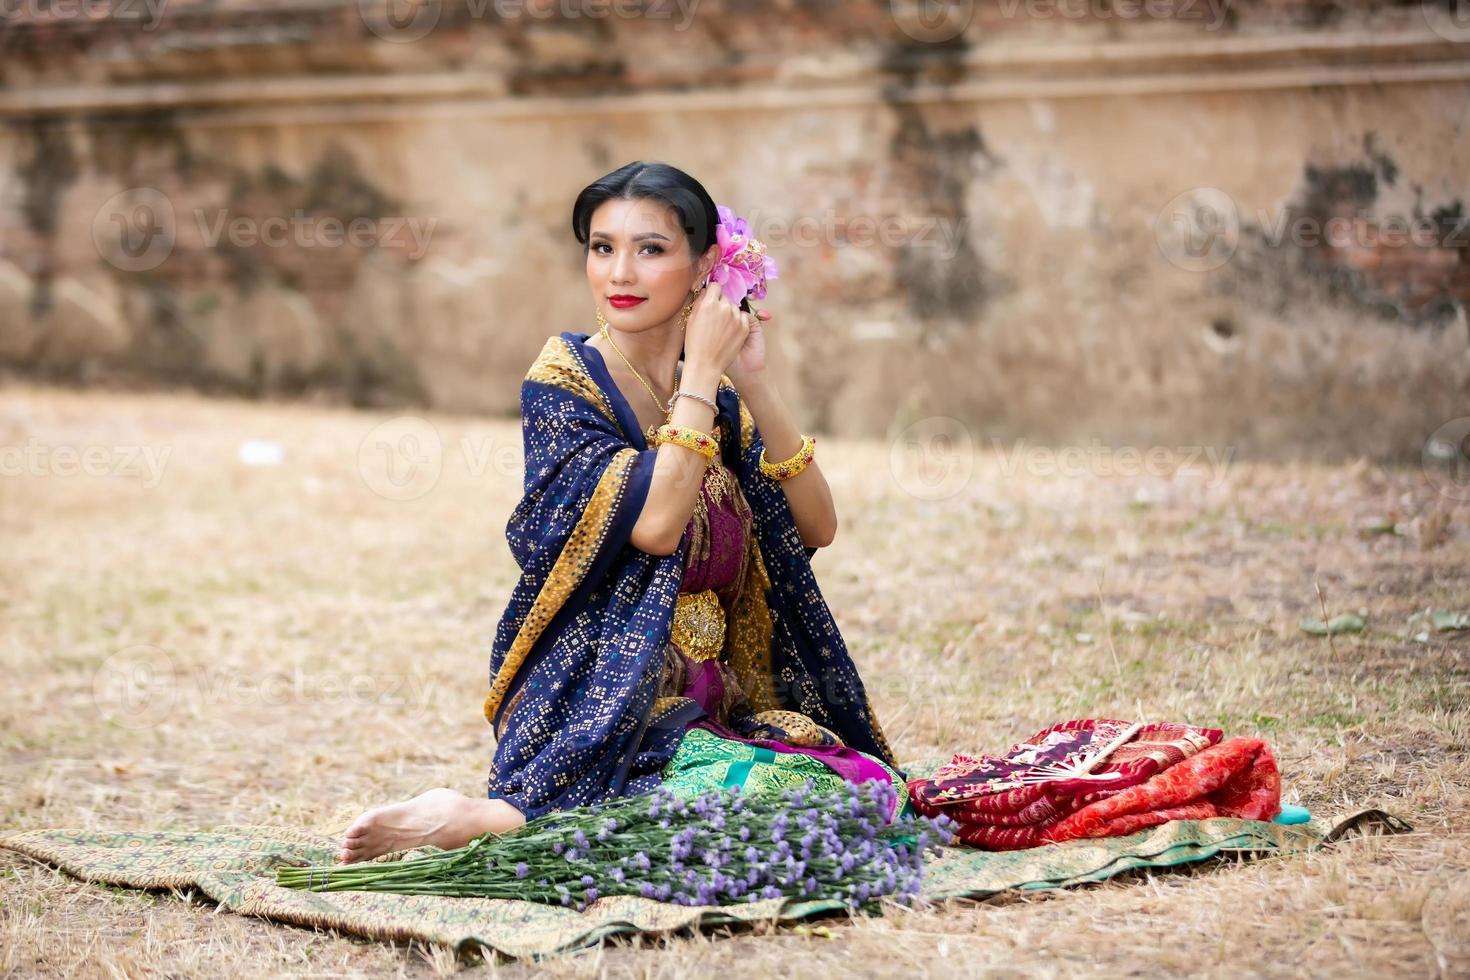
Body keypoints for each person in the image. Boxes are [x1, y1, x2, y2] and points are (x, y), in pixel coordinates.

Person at [337, 162, 906, 866]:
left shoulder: (721, 400)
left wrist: (751, 378)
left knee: (862, 793)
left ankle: (515, 820)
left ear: (706, 266)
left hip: (713, 699)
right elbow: (657, 524)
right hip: (597, 702)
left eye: (651, 249)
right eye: (602, 248)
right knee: (751, 812)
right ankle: (478, 816)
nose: (620, 273)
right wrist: (702, 371)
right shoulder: (566, 384)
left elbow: (817, 527)